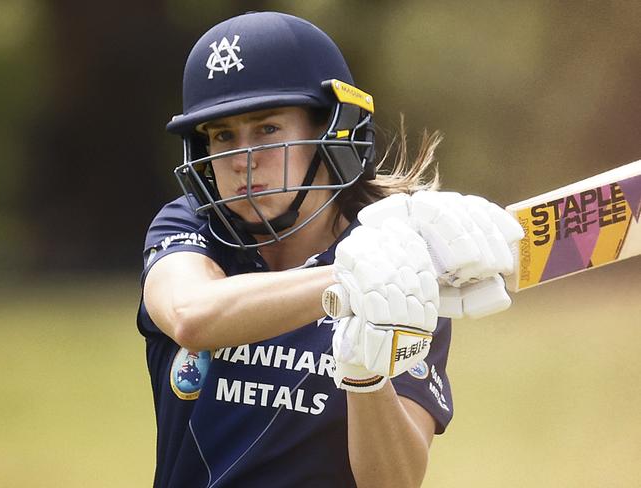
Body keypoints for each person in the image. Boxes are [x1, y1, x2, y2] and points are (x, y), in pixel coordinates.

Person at [137, 11, 521, 488]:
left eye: (267, 129)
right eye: (222, 136)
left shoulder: (404, 275)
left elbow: (393, 481)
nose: (241, 160)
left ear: (333, 134)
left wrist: (367, 375)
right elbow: (192, 316)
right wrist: (356, 281)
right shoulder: (192, 225)